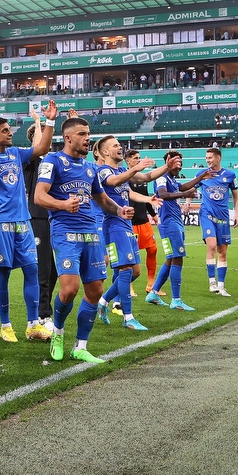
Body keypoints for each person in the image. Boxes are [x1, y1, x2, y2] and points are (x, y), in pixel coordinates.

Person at [33, 117, 130, 364]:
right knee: (69, 289)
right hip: (65, 231)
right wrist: (63, 204)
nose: (88, 138)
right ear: (68, 138)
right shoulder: (53, 161)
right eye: (82, 134)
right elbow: (39, 197)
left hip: (91, 233)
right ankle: (58, 332)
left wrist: (119, 210)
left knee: (95, 290)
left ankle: (81, 346)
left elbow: (102, 199)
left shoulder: (90, 169)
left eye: (88, 133)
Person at [0, 102, 56, 344]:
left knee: (31, 270)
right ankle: (5, 325)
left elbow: (42, 148)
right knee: (4, 273)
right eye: (6, 130)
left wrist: (49, 121)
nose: (10, 133)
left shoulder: (16, 153)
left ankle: (33, 325)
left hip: (23, 221)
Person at [92, 137, 166, 331]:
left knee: (135, 272)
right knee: (125, 271)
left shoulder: (121, 171)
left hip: (126, 224)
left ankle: (103, 301)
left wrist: (167, 166)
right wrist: (136, 167)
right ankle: (128, 317)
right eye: (115, 145)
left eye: (119, 144)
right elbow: (113, 181)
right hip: (113, 224)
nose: (120, 147)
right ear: (105, 152)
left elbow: (147, 177)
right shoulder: (103, 171)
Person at [145, 152, 212, 311]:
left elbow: (182, 187)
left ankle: (154, 293)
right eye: (177, 162)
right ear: (168, 162)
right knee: (177, 258)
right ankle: (176, 300)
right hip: (169, 224)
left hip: (175, 223)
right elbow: (162, 194)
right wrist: (184, 194)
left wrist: (200, 177)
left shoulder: (172, 180)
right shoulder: (161, 178)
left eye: (181, 162)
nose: (180, 165)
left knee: (171, 259)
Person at [23, 113, 57, 331]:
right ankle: (41, 316)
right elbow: (38, 146)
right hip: (37, 218)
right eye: (42, 135)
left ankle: (42, 310)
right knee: (42, 270)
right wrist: (38, 123)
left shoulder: (51, 161)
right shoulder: (30, 160)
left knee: (53, 272)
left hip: (53, 218)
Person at [196, 148, 238, 297]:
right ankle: (212, 282)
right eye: (206, 158)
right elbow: (191, 187)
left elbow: (236, 196)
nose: (207, 160)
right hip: (206, 215)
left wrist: (236, 213)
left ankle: (221, 286)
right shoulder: (202, 175)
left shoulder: (230, 175)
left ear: (218, 158)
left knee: (223, 252)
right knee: (212, 245)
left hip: (223, 217)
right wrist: (188, 201)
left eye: (210, 157)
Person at [125, 150, 162, 297]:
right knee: (130, 256)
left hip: (144, 222)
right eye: (135, 158)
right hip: (131, 222)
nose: (138, 160)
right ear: (128, 161)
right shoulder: (124, 177)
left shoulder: (142, 179)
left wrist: (153, 215)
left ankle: (150, 284)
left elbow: (145, 199)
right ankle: (129, 286)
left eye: (139, 158)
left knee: (152, 250)